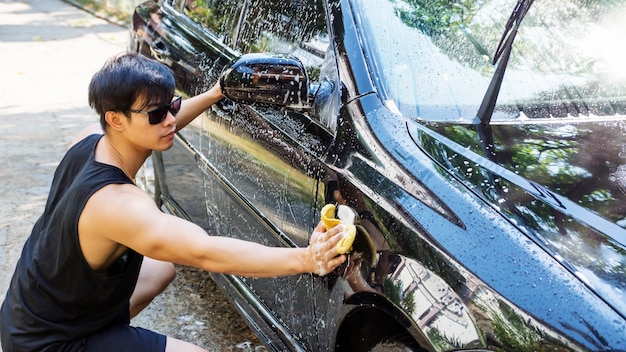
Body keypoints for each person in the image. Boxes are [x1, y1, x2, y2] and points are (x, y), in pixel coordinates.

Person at [0, 52, 347, 352]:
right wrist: (306, 258)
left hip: (27, 314)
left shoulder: (89, 143)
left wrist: (215, 93)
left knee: (158, 269)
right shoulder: (118, 205)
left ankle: (106, 334)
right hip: (48, 343)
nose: (169, 121)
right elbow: (205, 251)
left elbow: (160, 125)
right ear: (116, 119)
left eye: (172, 107)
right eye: (156, 115)